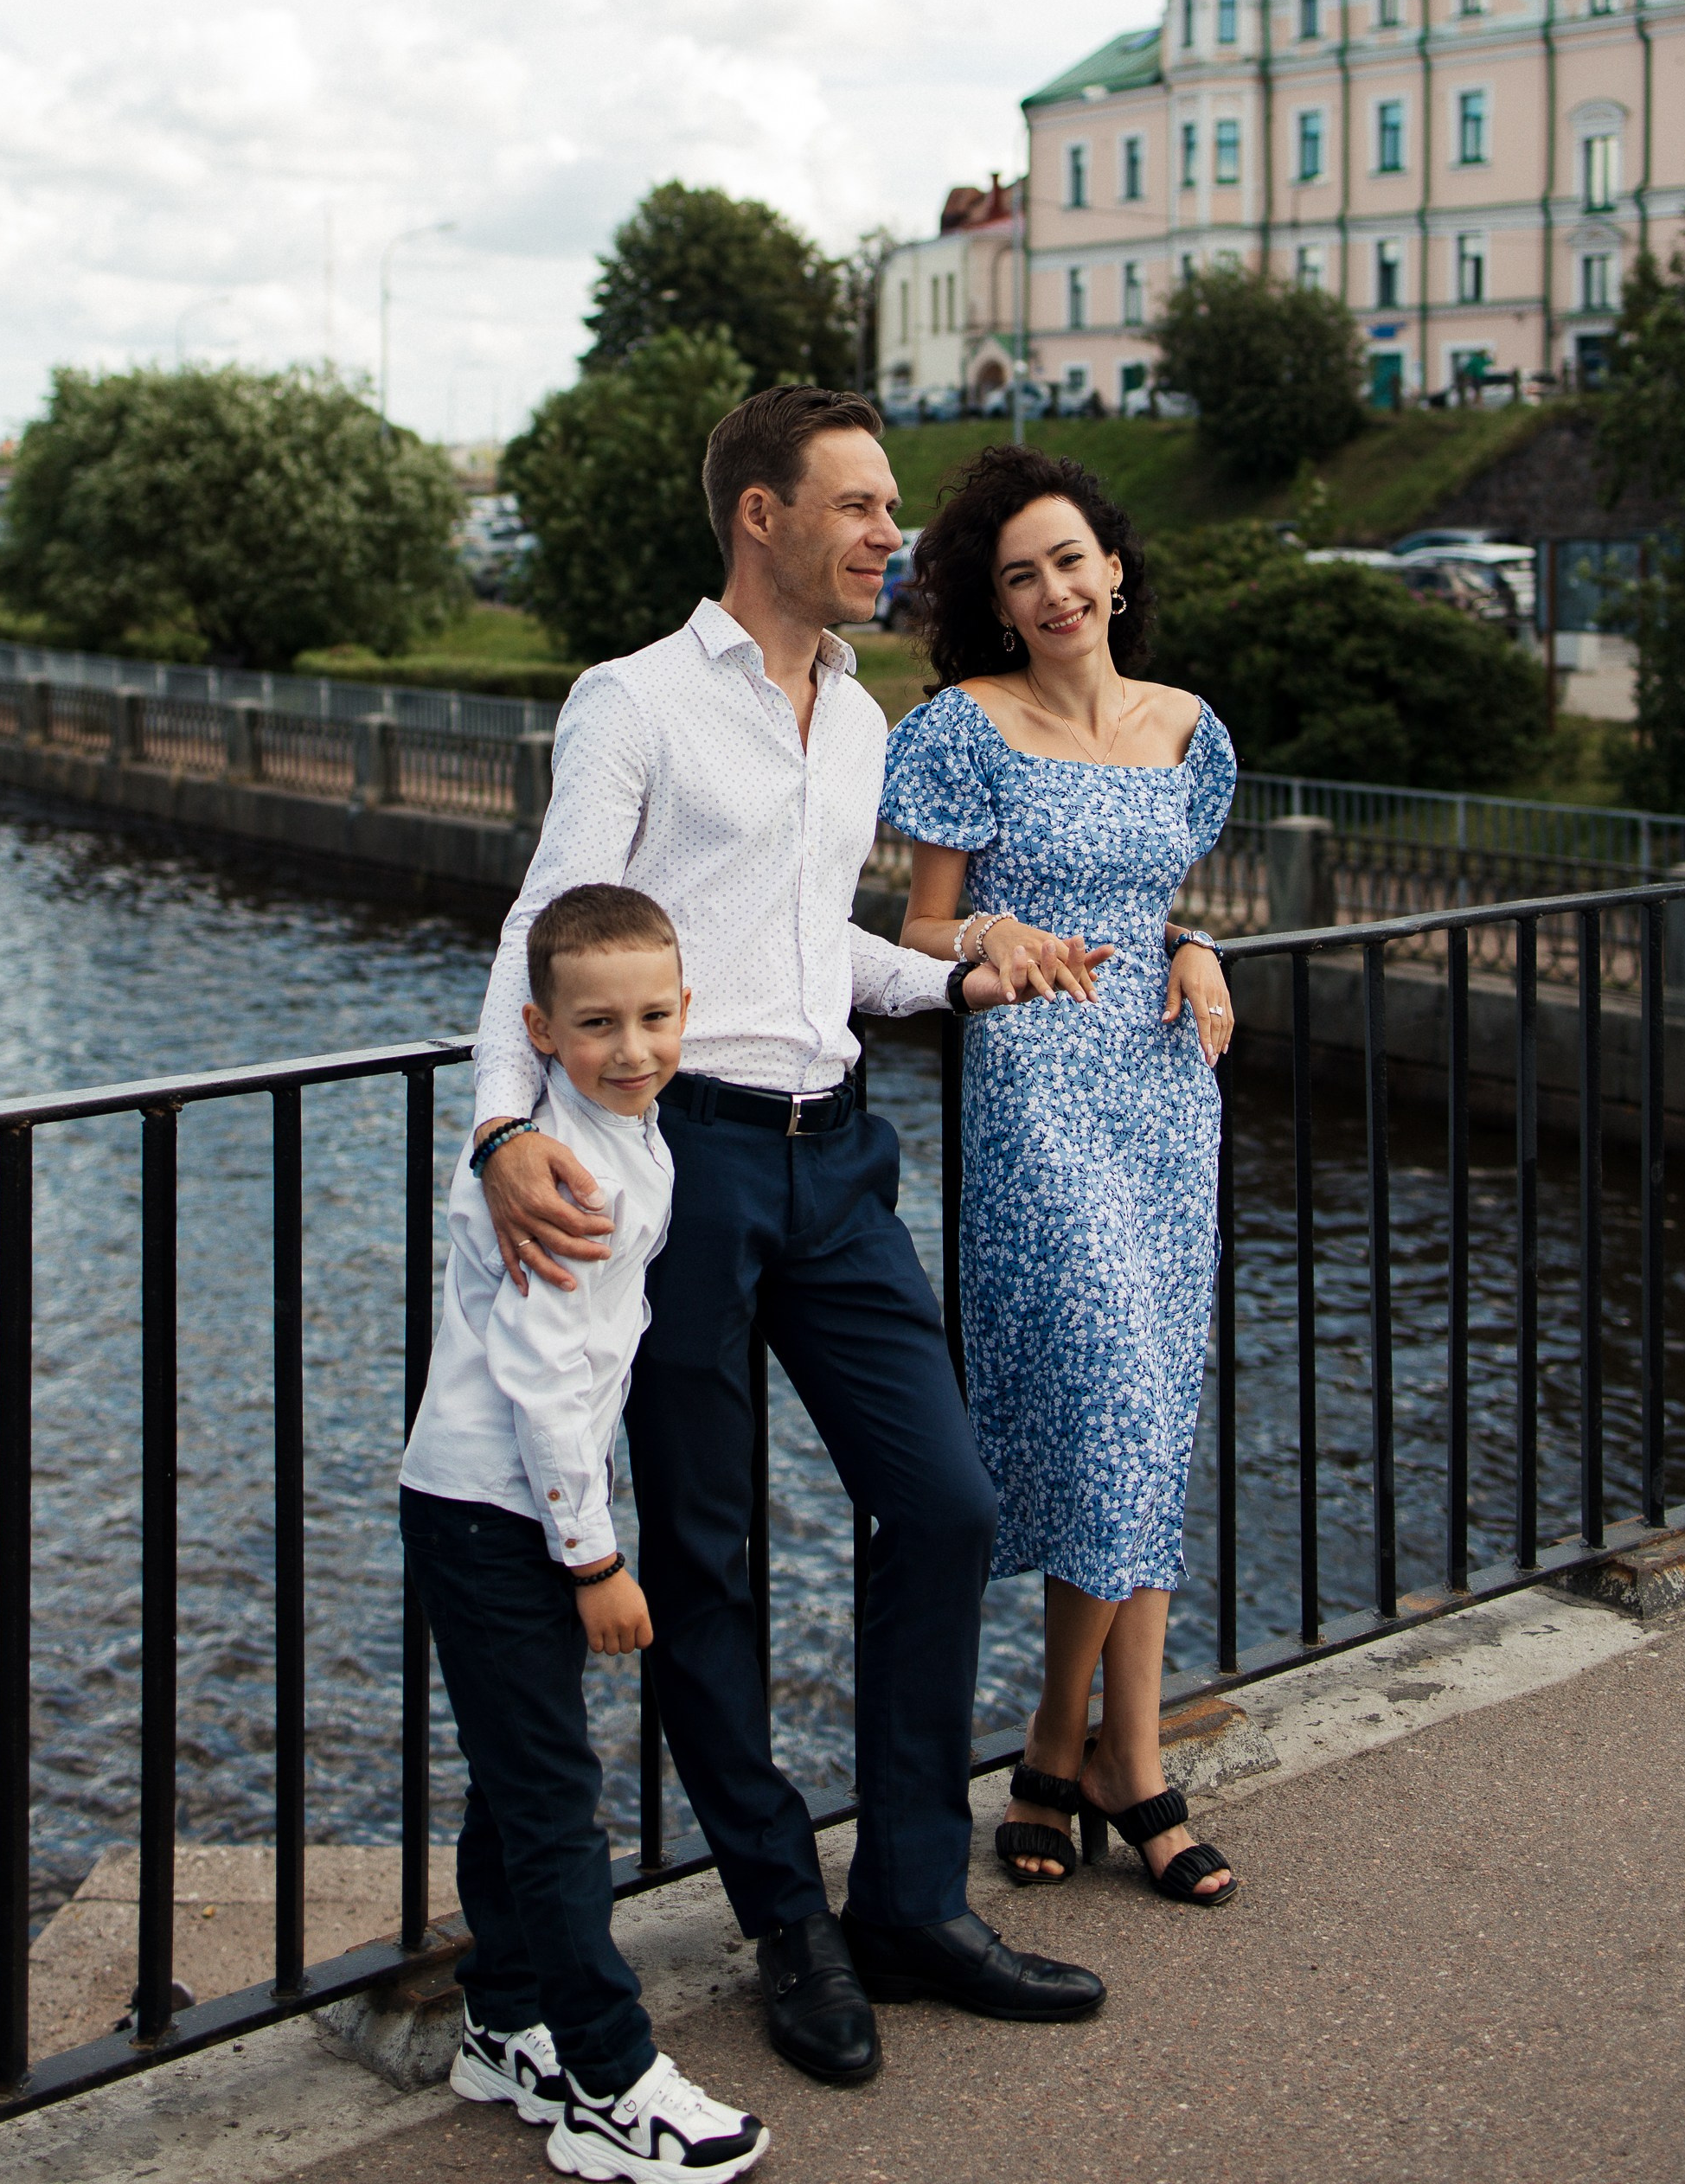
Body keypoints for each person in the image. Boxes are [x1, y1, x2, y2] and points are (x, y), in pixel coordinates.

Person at [471, 387, 1106, 2092]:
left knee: (949, 1503)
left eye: (890, 507)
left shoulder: (854, 717)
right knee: (710, 1560)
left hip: (839, 1165)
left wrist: (962, 969)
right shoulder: (637, 705)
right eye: (861, 505)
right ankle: (784, 1917)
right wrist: (500, 1128)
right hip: (684, 1174)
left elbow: (805, 943)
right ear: (761, 514)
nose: (892, 533)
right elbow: (547, 927)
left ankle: (908, 1898)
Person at [879, 445, 1243, 1910]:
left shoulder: (1189, 731)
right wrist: (987, 944)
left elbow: (1163, 904)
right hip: (1037, 1090)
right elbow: (910, 933)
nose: (1053, 590)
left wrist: (1198, 943)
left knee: (1146, 1410)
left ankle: (1108, 1757)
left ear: (1115, 569)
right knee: (1100, 1394)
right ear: (998, 602)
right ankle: (1070, 1749)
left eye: (1072, 560)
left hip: (1165, 1089)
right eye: (1020, 574)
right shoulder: (966, 727)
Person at [400, 881, 771, 2181]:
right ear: (540, 1031)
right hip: (496, 1508)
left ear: (688, 1013)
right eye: (598, 1023)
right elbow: (550, 1384)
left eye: (657, 1017)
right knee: (558, 1799)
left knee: (522, 1773)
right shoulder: (573, 1176)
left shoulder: (613, 1136)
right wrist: (595, 1558)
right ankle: (612, 2081)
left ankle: (505, 2021)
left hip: (495, 1503)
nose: (634, 1048)